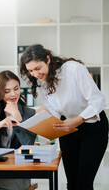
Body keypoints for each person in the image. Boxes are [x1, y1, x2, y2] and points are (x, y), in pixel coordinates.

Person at [19, 44, 109, 190]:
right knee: (71, 183)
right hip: (67, 127)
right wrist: (44, 117)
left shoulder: (73, 69)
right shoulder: (41, 81)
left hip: (93, 127)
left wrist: (78, 120)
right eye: (30, 71)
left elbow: (98, 101)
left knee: (83, 184)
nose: (35, 74)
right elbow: (55, 108)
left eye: (37, 68)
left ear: (48, 59)